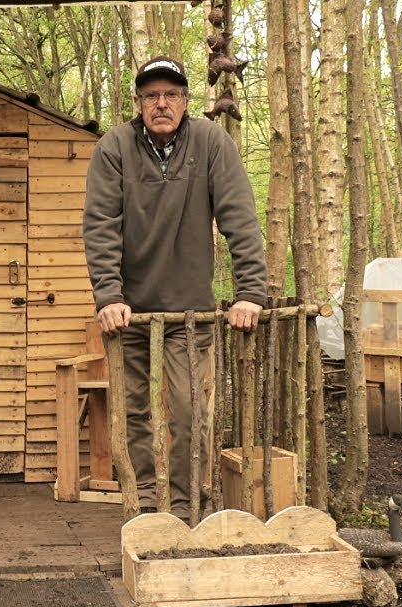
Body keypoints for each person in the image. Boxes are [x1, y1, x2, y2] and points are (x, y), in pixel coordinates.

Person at [83, 56, 267, 521]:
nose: (160, 104)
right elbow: (101, 225)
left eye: (171, 95)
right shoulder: (115, 148)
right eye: (151, 96)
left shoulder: (211, 142)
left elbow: (239, 217)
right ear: (139, 102)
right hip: (130, 313)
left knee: (189, 414)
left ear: (186, 101)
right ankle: (146, 507)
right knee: (133, 413)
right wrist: (109, 296)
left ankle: (186, 508)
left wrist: (250, 292)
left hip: (189, 312)